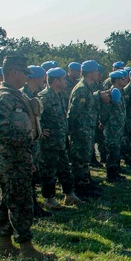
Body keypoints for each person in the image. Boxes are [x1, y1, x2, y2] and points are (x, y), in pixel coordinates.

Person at [0, 55, 53, 260]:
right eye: (24, 72)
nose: (26, 77)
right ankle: (26, 248)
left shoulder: (13, 94)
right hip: (11, 156)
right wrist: (23, 140)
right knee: (20, 201)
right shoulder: (5, 97)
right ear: (13, 72)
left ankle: (5, 245)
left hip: (17, 155)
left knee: (7, 200)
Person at [37, 67, 79, 208]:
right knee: (49, 171)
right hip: (50, 142)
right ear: (55, 81)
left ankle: (69, 195)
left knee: (65, 169)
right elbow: (36, 117)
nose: (65, 81)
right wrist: (40, 130)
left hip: (61, 139)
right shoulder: (44, 97)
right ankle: (49, 199)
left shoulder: (60, 95)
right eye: (62, 79)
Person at [68, 61, 109, 199]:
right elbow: (73, 113)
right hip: (80, 132)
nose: (98, 73)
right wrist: (73, 132)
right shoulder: (81, 89)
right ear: (90, 73)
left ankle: (86, 185)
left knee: (85, 159)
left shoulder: (88, 87)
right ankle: (79, 189)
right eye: (96, 71)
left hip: (87, 130)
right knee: (79, 161)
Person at [102, 71, 127, 183]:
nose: (125, 80)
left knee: (116, 150)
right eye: (122, 78)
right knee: (112, 151)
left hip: (118, 127)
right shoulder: (112, 93)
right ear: (117, 80)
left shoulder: (119, 92)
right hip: (112, 128)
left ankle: (116, 173)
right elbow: (105, 112)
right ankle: (111, 175)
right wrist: (103, 123)